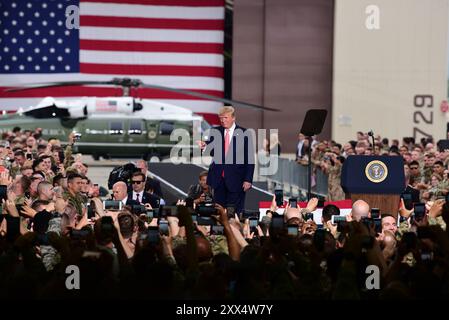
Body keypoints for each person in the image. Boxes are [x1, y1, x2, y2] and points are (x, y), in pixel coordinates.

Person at [199, 106, 255, 214]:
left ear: (233, 118)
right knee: (218, 211)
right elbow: (213, 152)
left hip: (236, 179)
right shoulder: (215, 131)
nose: (222, 121)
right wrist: (205, 147)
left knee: (234, 212)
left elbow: (249, 159)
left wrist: (248, 179)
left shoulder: (244, 133)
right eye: (220, 118)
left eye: (225, 118)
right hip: (218, 179)